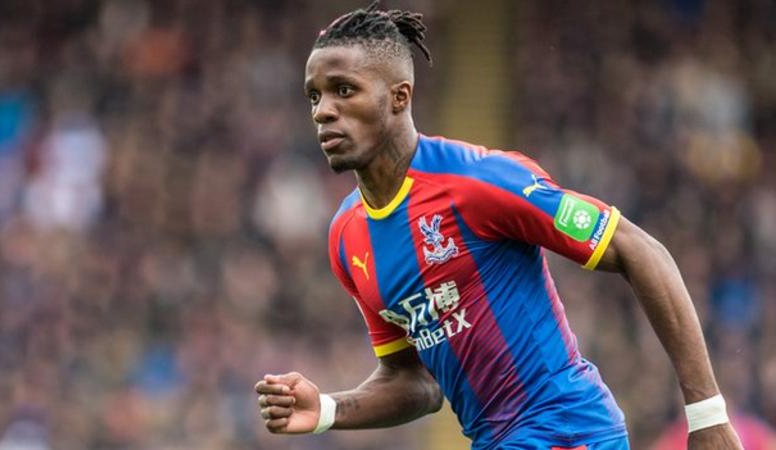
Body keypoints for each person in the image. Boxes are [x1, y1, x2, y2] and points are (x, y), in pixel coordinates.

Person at [254, 2, 743, 448]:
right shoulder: (347, 238)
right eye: (313, 96)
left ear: (400, 97)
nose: (323, 111)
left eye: (344, 90)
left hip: (567, 430)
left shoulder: (479, 181)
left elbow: (639, 249)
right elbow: (416, 382)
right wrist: (329, 410)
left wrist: (707, 415)